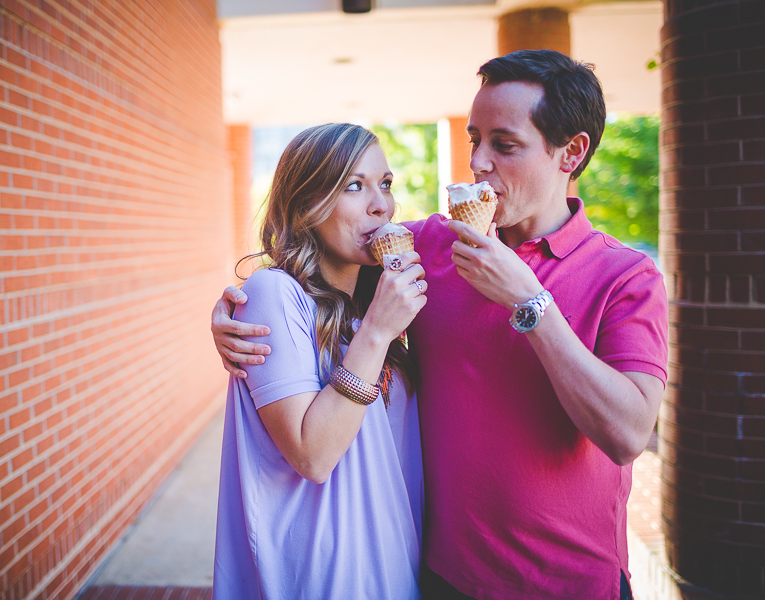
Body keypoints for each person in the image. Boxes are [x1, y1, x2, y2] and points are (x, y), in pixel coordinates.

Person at [212, 50, 668, 600]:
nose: (477, 162)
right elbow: (324, 247)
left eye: (505, 144)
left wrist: (530, 301)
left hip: (569, 584)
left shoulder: (625, 275)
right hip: (438, 577)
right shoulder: (428, 246)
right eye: (476, 138)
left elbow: (627, 435)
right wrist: (237, 309)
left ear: (571, 152)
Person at [213, 123, 428, 599]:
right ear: (306, 205)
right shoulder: (274, 293)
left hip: (392, 567)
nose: (382, 205)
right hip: (323, 577)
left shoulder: (367, 301)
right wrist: (376, 333)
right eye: (354, 186)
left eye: (385, 184)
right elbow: (312, 455)